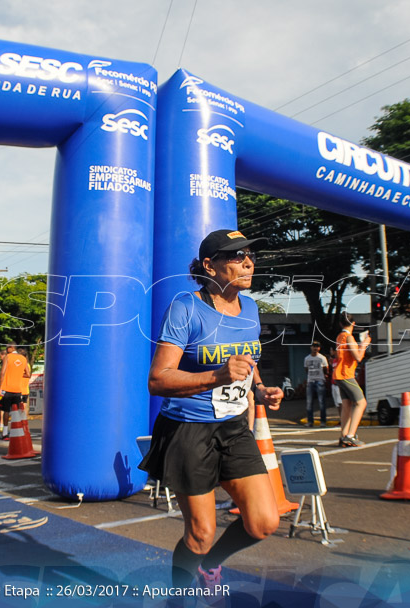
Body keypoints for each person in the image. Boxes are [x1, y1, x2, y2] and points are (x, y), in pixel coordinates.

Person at [141, 229, 284, 591]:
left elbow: (246, 362)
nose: (248, 262)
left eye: (250, 254)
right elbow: (158, 380)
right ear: (210, 265)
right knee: (200, 534)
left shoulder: (250, 308)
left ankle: (210, 567)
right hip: (188, 429)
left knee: (264, 522)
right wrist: (215, 376)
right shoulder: (186, 307)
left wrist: (261, 389)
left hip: (234, 427)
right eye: (236, 256)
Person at [334, 312, 370, 448]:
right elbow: (358, 357)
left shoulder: (339, 336)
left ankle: (344, 435)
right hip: (346, 375)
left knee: (347, 405)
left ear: (340, 324)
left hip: (338, 375)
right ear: (353, 324)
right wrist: (365, 344)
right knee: (361, 403)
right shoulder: (348, 338)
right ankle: (350, 436)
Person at [0, 344, 30, 439]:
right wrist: (18, 374)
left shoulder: (8, 357)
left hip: (7, 388)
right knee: (17, 411)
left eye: (7, 347)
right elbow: (28, 374)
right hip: (18, 389)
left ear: (12, 348)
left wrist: (1, 388)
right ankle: (19, 431)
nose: (6, 349)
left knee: (6, 410)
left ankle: (5, 433)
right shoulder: (23, 359)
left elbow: (2, 372)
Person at [303, 342, 330, 426]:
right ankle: (310, 421)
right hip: (310, 381)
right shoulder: (307, 358)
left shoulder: (322, 358)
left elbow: (326, 368)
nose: (315, 348)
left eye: (317, 347)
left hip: (320, 381)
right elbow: (306, 369)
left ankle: (323, 421)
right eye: (314, 346)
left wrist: (324, 376)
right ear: (311, 347)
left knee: (322, 402)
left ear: (319, 348)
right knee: (309, 402)